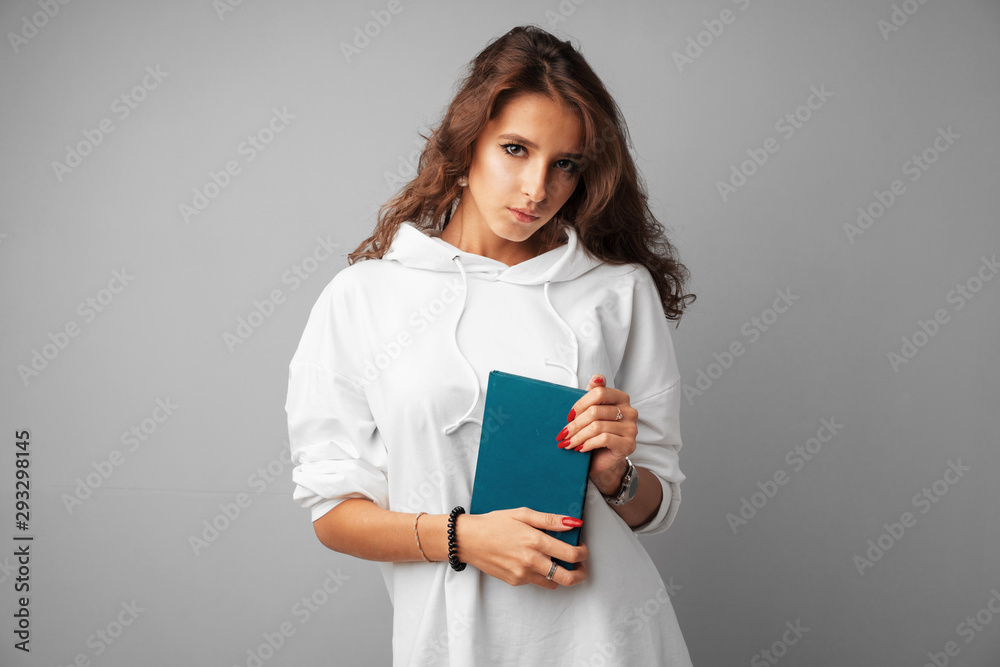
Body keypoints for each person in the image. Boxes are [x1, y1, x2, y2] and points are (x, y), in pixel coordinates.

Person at [285, 24, 696, 666]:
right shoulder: (363, 297)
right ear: (467, 140)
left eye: (565, 164)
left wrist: (616, 474)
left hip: (612, 641)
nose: (537, 188)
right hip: (451, 648)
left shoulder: (617, 291)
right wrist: (463, 538)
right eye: (515, 149)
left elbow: (656, 506)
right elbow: (333, 512)